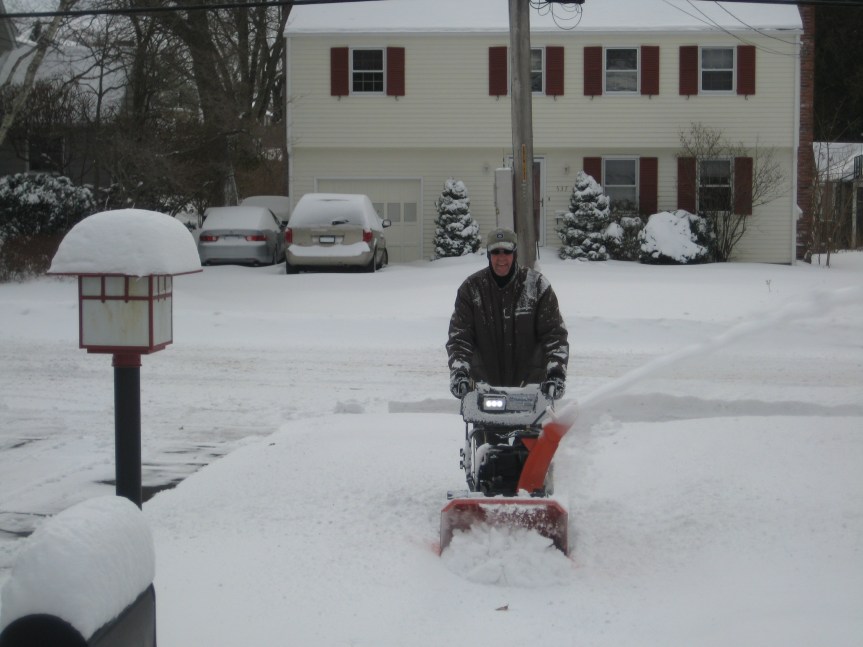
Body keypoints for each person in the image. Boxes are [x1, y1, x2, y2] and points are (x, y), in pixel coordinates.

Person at [446, 227, 569, 400]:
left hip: (531, 393)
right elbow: (460, 338)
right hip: (484, 392)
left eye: (507, 251)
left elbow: (554, 336)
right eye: (496, 252)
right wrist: (460, 373)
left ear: (515, 253)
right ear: (489, 255)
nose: (501, 258)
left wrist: (556, 374)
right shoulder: (471, 290)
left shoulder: (537, 287)